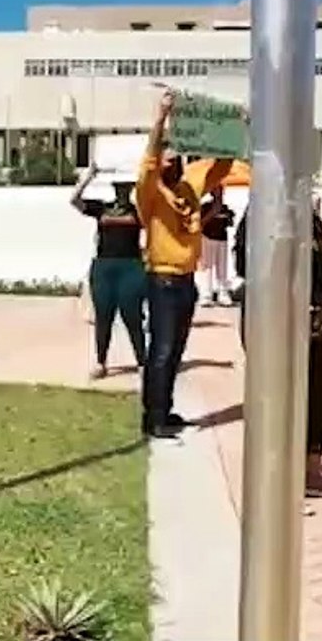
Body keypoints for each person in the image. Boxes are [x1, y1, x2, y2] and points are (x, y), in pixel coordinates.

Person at [234, 207, 322, 514]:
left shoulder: (312, 221)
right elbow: (247, 268)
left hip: (313, 325)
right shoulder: (262, 213)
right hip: (273, 324)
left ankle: (310, 473)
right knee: (281, 405)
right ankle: (278, 489)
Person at [134, 90, 238, 439]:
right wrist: (161, 117)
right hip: (162, 280)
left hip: (186, 282)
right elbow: (149, 157)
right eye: (165, 157)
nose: (168, 161)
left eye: (172, 157)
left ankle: (166, 409)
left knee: (175, 350)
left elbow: (221, 167)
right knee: (160, 350)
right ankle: (153, 418)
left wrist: (234, 128)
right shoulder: (149, 193)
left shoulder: (190, 185)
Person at [71, 164, 147, 380]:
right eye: (119, 188)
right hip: (104, 266)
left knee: (132, 315)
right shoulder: (102, 209)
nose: (122, 192)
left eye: (126, 189)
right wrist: (86, 179)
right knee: (104, 315)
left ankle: (142, 361)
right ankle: (100, 361)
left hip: (131, 266)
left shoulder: (138, 211)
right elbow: (74, 201)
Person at [197, 189, 235, 307]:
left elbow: (230, 223)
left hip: (221, 239)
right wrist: (212, 213)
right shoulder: (205, 207)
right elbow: (201, 222)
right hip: (208, 238)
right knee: (206, 268)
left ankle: (223, 293)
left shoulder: (225, 208)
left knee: (222, 268)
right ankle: (205, 295)